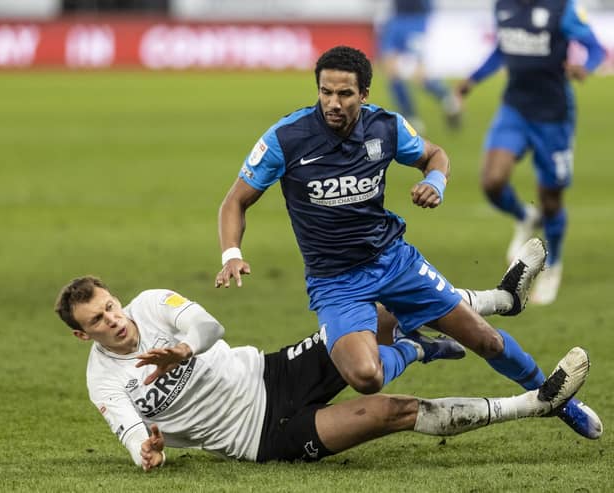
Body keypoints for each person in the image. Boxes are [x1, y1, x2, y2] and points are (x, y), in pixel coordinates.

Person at [215, 45, 601, 439]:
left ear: (364, 94)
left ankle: (560, 403)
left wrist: (435, 181)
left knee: (484, 339)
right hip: (335, 283)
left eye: (344, 94)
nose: (333, 102)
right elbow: (235, 201)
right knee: (366, 377)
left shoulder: (386, 127)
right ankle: (417, 347)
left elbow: (435, 154)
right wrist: (232, 254)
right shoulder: (286, 139)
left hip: (394, 262)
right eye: (325, 92)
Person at [55, 274, 591, 470]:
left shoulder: (150, 303)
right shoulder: (102, 380)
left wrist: (185, 349)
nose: (114, 320)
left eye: (110, 306)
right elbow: (127, 429)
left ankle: (498, 299)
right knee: (389, 411)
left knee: (380, 313)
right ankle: (535, 403)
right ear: (83, 335)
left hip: (271, 374)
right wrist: (143, 452)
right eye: (97, 321)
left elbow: (209, 325)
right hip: (263, 438)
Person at [456, 0, 606, 304]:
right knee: (492, 181)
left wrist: (584, 67)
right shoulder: (503, 7)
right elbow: (502, 49)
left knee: (551, 199)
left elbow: (596, 48)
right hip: (515, 110)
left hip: (553, 116)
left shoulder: (562, 9)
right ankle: (525, 215)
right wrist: (472, 80)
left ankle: (553, 266)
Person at [376, 0, 461, 132]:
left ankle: (446, 96)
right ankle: (410, 117)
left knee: (418, 74)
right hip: (396, 18)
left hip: (417, 18)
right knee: (391, 71)